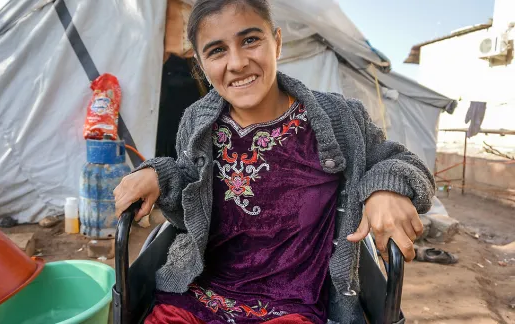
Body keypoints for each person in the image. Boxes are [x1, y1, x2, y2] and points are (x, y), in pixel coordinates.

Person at [113, 0, 435, 323]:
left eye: (250, 40)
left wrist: (385, 190)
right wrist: (158, 174)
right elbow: (190, 182)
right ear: (200, 63)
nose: (237, 63)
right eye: (217, 51)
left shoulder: (337, 119)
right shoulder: (197, 122)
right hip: (198, 294)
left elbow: (402, 162)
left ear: (277, 42)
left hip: (291, 306)